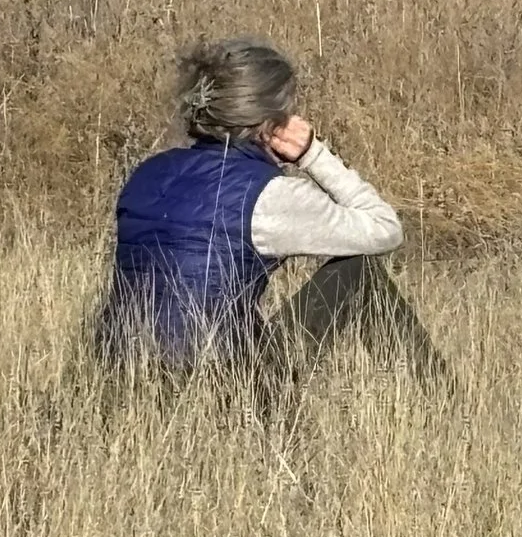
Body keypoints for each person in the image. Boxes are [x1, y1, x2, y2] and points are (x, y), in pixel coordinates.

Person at [98, 37, 441, 377]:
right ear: (271, 122)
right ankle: (441, 401)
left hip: (122, 371)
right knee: (358, 270)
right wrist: (312, 154)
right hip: (221, 384)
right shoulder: (270, 195)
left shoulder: (145, 175)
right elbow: (385, 229)